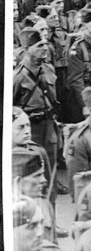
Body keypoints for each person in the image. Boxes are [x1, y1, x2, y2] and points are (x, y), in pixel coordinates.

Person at [13, 27, 59, 169]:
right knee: (33, 166)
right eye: (40, 45)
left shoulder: (48, 68)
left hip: (49, 124)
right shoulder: (17, 77)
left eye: (45, 44)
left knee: (51, 164)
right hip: (31, 128)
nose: (45, 48)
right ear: (27, 49)